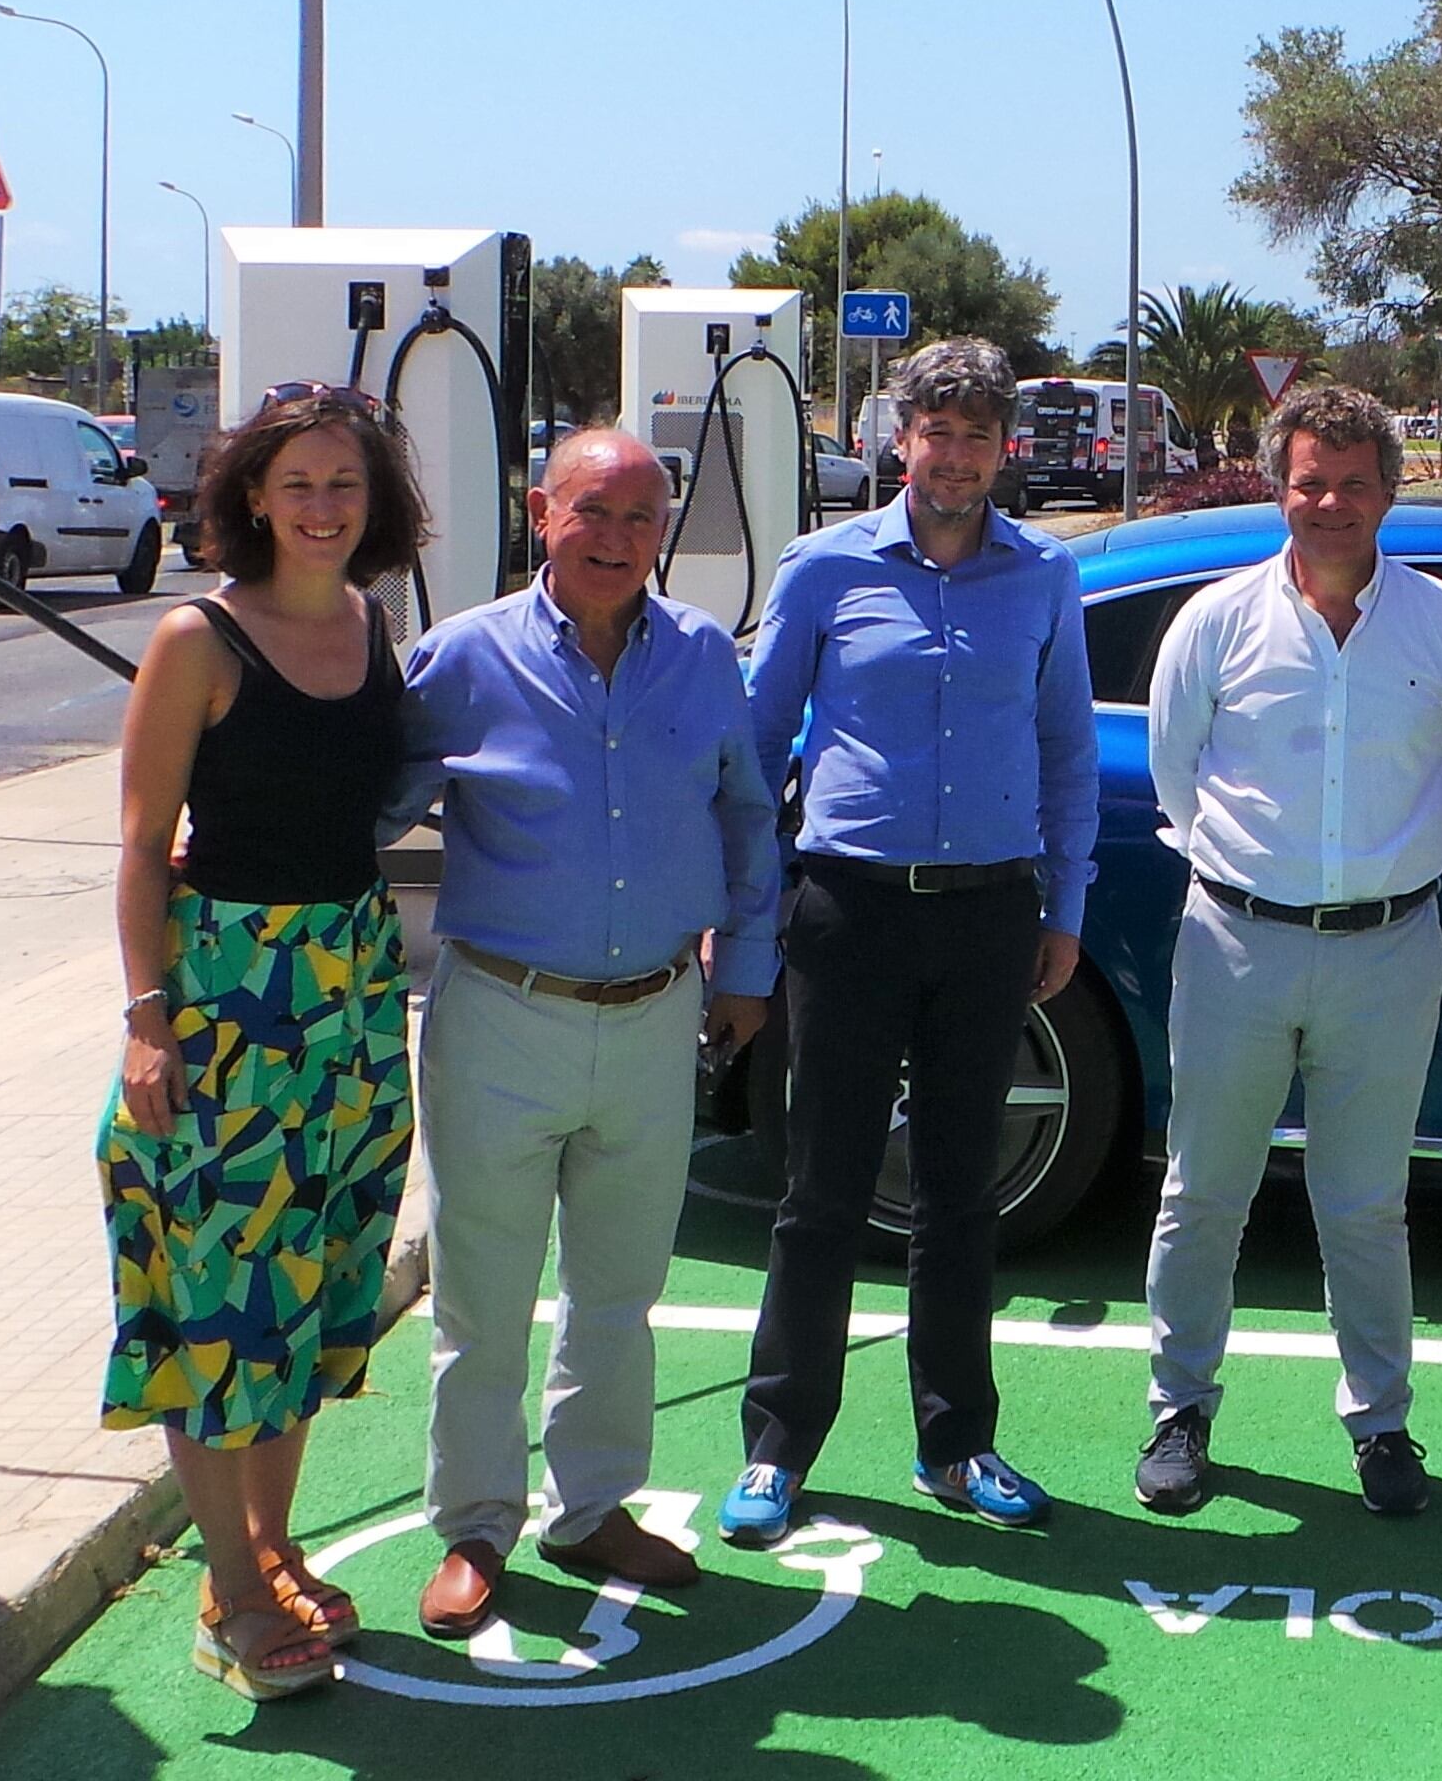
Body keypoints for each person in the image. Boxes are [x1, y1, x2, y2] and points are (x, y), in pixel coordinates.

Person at [389, 429, 776, 1641]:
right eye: (592, 513)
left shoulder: (705, 657)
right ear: (541, 513)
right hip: (503, 1014)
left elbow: (748, 822)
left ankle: (593, 1506)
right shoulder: (460, 660)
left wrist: (748, 974)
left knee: (620, 1288)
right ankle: (473, 1524)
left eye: (641, 519)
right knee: (483, 1293)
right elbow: (364, 800)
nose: (616, 541)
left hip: (658, 1015)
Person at [722, 337, 1100, 1544]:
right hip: (850, 908)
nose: (955, 455)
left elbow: (1067, 752)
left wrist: (1065, 909)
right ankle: (780, 1448)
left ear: (1001, 449)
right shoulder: (824, 571)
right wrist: (750, 914)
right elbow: (754, 742)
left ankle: (959, 1443)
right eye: (936, 433)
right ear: (902, 441)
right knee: (821, 1189)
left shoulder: (1042, 577)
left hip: (989, 913)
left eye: (977, 435)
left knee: (957, 1194)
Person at [97, 388, 432, 1700]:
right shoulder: (200, 639)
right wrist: (143, 1019)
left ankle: (276, 1545)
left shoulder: (370, 620)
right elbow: (137, 846)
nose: (321, 507)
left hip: (349, 985)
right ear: (248, 496)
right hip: (227, 995)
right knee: (219, 1295)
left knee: (317, 1279)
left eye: (343, 483)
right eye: (296, 483)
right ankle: (228, 1588)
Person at [1132, 383, 1442, 1518]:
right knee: (1205, 1191)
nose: (1329, 502)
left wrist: (1379, 883)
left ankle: (1382, 1425)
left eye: (1352, 482)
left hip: (1389, 952)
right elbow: (1173, 771)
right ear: (1279, 486)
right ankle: (1179, 1409)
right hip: (1236, 939)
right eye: (1309, 481)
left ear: (1390, 490)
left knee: (1366, 1202)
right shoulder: (1216, 620)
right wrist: (1256, 879)